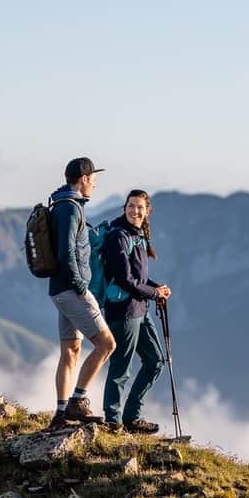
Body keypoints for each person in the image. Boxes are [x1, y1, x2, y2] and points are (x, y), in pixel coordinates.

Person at [47, 157, 116, 428]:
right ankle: (78, 401)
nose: (95, 184)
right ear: (84, 178)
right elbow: (66, 252)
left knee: (71, 350)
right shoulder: (71, 209)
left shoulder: (59, 205)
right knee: (107, 344)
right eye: (93, 179)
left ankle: (60, 415)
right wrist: (80, 286)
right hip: (71, 290)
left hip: (59, 290)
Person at [100, 189, 171, 434]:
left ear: (147, 211)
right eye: (131, 206)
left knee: (155, 361)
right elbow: (125, 279)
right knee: (121, 368)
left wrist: (156, 288)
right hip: (123, 312)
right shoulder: (118, 237)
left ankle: (131, 416)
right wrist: (154, 294)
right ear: (125, 208)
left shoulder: (137, 235)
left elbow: (139, 277)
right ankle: (113, 420)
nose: (135, 211)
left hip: (140, 309)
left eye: (140, 207)